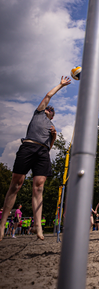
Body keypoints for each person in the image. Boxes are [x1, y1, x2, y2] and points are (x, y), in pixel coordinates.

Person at [0, 76, 71, 242]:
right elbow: (47, 96)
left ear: (52, 116)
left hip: (43, 152)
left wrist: (53, 137)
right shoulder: (38, 114)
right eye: (48, 109)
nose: (48, 110)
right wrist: (60, 85)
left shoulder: (51, 127)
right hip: (28, 147)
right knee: (16, 184)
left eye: (51, 111)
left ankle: (38, 225)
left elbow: (50, 147)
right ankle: (2, 224)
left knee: (38, 188)